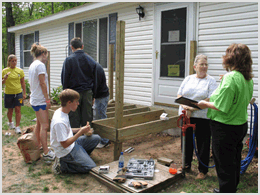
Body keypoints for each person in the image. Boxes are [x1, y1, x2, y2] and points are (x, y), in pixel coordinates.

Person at [197, 43, 254, 193]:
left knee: (224, 164)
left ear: (231, 59)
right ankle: (230, 188)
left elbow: (222, 106)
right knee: (234, 160)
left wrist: (205, 104)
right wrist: (226, 80)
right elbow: (237, 96)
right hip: (240, 125)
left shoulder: (230, 78)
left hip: (225, 127)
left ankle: (226, 191)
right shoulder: (247, 78)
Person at [177, 54, 218, 180]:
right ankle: (186, 165)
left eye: (206, 64)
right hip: (186, 115)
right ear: (195, 66)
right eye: (201, 64)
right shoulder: (188, 79)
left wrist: (193, 108)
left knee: (203, 143)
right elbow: (179, 95)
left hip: (202, 117)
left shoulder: (211, 81)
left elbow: (210, 98)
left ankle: (202, 170)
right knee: (186, 142)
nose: (204, 67)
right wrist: (186, 108)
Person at [50, 89, 101, 174]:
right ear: (69, 102)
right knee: (91, 167)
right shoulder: (59, 121)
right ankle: (63, 165)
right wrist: (80, 132)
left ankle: (80, 156)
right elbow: (65, 144)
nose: (78, 103)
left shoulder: (62, 112)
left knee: (96, 138)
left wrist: (82, 129)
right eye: (76, 101)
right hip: (66, 152)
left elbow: (67, 130)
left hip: (73, 144)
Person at [61, 37, 96, 128]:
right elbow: (95, 77)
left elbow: (65, 78)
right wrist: (94, 94)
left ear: (71, 47)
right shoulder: (90, 59)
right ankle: (87, 138)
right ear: (82, 46)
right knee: (87, 117)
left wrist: (65, 93)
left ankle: (75, 139)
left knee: (73, 117)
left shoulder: (69, 60)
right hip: (87, 92)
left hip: (73, 94)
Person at [29, 43, 55, 161]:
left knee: (39, 124)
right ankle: (46, 152)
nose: (47, 58)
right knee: (45, 126)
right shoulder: (40, 65)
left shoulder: (33, 64)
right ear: (43, 54)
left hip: (35, 98)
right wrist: (47, 99)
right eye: (46, 55)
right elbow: (42, 83)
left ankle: (38, 145)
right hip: (40, 100)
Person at [2, 54, 26, 134]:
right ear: (9, 62)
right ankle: (10, 122)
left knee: (18, 109)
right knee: (10, 110)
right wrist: (5, 78)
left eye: (15, 61)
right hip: (8, 93)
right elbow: (2, 83)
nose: (14, 62)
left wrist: (24, 93)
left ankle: (17, 126)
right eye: (12, 61)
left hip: (18, 93)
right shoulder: (4, 71)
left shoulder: (20, 71)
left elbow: (23, 82)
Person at [93, 63, 110, 148]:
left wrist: (92, 97)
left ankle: (105, 141)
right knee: (98, 116)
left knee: (101, 117)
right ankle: (101, 139)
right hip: (101, 96)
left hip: (101, 96)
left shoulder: (96, 68)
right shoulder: (96, 66)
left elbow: (96, 84)